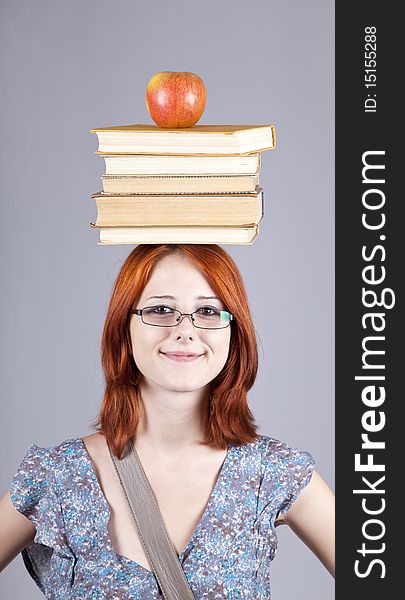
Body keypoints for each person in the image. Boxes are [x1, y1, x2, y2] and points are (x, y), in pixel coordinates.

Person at [0, 244, 335, 598]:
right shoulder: (57, 475)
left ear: (233, 332)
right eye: (161, 310)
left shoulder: (273, 471)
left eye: (208, 310)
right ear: (123, 328)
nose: (185, 331)